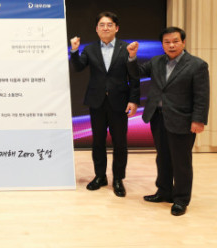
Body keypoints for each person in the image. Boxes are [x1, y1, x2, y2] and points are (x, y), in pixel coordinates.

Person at [127, 27, 209, 216]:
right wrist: (132, 56)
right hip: (158, 117)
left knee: (181, 161)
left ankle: (181, 199)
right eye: (167, 42)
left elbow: (202, 96)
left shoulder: (197, 65)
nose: (171, 45)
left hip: (183, 119)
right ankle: (164, 192)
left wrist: (198, 119)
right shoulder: (156, 61)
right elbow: (136, 73)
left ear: (183, 42)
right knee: (162, 157)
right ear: (162, 44)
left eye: (175, 41)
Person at [70, 11, 140, 197]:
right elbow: (78, 67)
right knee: (98, 142)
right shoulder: (90, 49)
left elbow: (134, 77)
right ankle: (100, 176)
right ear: (96, 29)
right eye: (102, 25)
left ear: (116, 28)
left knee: (120, 143)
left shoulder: (126, 48)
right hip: (97, 102)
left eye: (109, 25)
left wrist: (134, 100)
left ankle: (118, 179)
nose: (105, 28)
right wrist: (74, 51)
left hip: (120, 102)